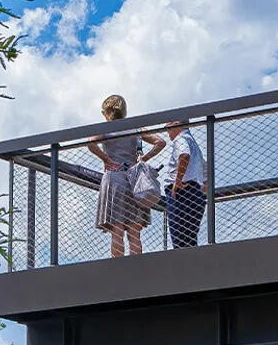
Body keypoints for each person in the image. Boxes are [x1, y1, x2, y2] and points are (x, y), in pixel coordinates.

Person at [87, 94, 162, 257]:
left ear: (107, 112)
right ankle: (137, 268)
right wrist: (144, 158)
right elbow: (160, 142)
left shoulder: (106, 128)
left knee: (117, 230)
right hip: (134, 181)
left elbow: (90, 142)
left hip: (114, 179)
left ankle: (118, 268)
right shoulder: (135, 127)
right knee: (135, 231)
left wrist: (106, 159)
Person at [160, 120, 209, 249]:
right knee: (190, 239)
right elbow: (205, 169)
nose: (166, 128)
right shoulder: (194, 144)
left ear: (176, 123)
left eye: (167, 125)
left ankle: (183, 268)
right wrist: (202, 188)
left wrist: (178, 181)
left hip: (181, 194)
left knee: (179, 240)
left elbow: (184, 155)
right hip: (196, 193)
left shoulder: (180, 139)